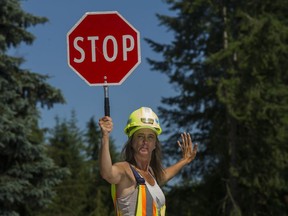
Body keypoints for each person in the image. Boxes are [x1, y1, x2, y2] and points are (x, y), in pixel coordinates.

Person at [99, 107, 198, 216]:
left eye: (150, 137)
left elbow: (165, 175)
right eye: (140, 136)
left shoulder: (151, 175)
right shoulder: (125, 170)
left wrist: (185, 160)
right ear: (132, 142)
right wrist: (105, 137)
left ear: (155, 144)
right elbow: (107, 173)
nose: (145, 141)